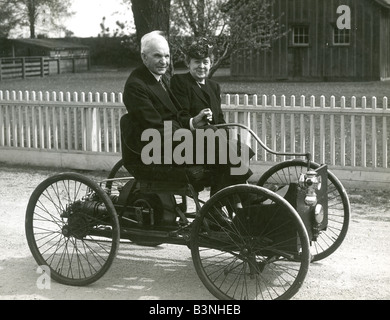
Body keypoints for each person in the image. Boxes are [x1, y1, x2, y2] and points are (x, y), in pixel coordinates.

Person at [121, 30, 251, 192]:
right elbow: (154, 127)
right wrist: (189, 135)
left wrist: (192, 123)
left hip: (171, 143)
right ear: (144, 57)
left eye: (167, 56)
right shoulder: (137, 85)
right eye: (157, 56)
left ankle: (233, 202)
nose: (164, 61)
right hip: (155, 149)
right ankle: (239, 201)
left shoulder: (160, 79)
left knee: (235, 147)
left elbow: (174, 115)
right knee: (215, 139)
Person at [170, 38, 225, 126]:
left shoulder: (214, 86)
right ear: (188, 63)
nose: (201, 66)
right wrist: (196, 120)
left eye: (205, 62)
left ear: (211, 64)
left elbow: (220, 119)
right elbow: (180, 116)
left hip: (214, 136)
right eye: (197, 62)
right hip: (191, 136)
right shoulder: (180, 81)